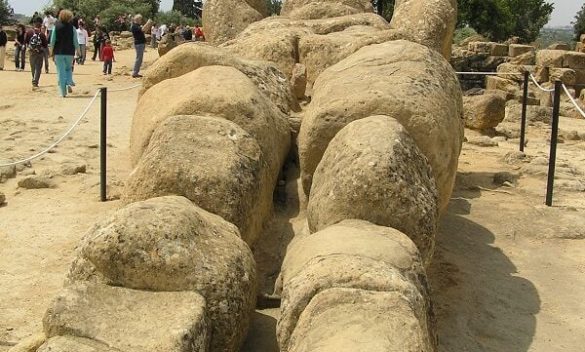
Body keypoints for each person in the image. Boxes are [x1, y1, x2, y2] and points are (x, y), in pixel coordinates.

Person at [50, 9, 79, 97]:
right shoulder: (72, 28)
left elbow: (52, 41)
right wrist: (79, 51)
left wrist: (51, 52)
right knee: (68, 68)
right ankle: (69, 81)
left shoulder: (56, 27)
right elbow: (75, 41)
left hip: (58, 52)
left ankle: (63, 92)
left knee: (60, 71)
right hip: (70, 52)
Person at [25, 18, 48, 89]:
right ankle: (35, 81)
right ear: (40, 25)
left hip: (31, 52)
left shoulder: (28, 33)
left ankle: (34, 79)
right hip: (39, 52)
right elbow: (45, 45)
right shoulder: (42, 34)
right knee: (38, 68)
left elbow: (26, 42)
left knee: (33, 67)